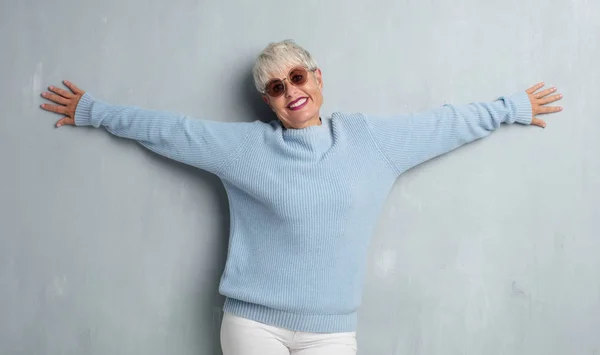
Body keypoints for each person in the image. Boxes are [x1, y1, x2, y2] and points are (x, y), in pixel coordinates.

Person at [40, 39, 563, 355]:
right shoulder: (248, 147)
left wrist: (509, 106)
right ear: (269, 102)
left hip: (331, 333)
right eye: (274, 86)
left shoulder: (368, 141)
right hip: (253, 324)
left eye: (296, 76)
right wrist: (93, 110)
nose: (290, 90)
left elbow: (442, 124)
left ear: (316, 77)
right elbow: (175, 131)